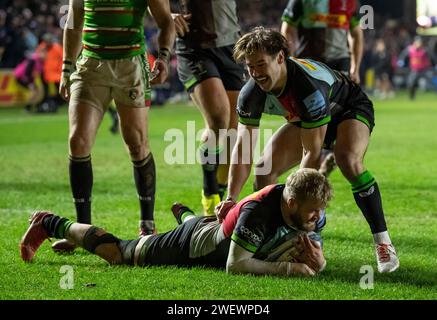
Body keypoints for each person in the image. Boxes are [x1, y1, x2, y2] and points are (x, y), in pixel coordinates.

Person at [216, 27, 399, 273]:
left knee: (348, 160)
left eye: (261, 64)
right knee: (264, 170)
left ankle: (383, 242)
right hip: (306, 119)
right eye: (250, 66)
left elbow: (310, 154)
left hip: (347, 109)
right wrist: (231, 198)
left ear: (280, 57)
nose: (256, 73)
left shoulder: (306, 88)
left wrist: (297, 209)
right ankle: (268, 239)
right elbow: (243, 148)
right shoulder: (250, 93)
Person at [20, 169, 331, 277]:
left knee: (204, 223)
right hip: (193, 244)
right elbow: (235, 266)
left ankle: (185, 213)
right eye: (313, 213)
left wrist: (321, 261)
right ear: (291, 203)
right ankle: (50, 222)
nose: (317, 219)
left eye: (320, 213)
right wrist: (291, 269)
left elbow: (314, 251)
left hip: (214, 228)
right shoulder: (258, 213)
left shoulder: (311, 208)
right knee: (120, 254)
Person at [53, 0, 175, 252]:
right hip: (90, 65)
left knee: (136, 143)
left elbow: (165, 21)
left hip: (130, 65)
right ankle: (82, 229)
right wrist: (66, 67)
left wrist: (163, 56)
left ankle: (147, 225)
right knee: (78, 141)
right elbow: (73, 23)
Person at [171, 0, 246, 215]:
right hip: (195, 47)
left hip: (231, 46)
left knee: (232, 131)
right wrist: (165, 15)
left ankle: (219, 201)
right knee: (218, 120)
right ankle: (209, 192)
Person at [280, 0, 364, 176]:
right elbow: (287, 28)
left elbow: (356, 33)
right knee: (308, 115)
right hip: (310, 65)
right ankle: (316, 158)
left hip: (338, 64)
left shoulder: (349, 2)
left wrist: (355, 67)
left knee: (335, 114)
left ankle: (320, 158)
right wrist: (291, 60)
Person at [398, 36, 435, 100]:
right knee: (411, 83)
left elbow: (433, 57)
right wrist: (401, 61)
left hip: (424, 70)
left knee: (432, 81)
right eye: (417, 42)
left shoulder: (425, 49)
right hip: (414, 70)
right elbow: (402, 56)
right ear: (414, 42)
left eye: (419, 42)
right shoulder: (410, 49)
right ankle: (412, 96)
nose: (418, 44)